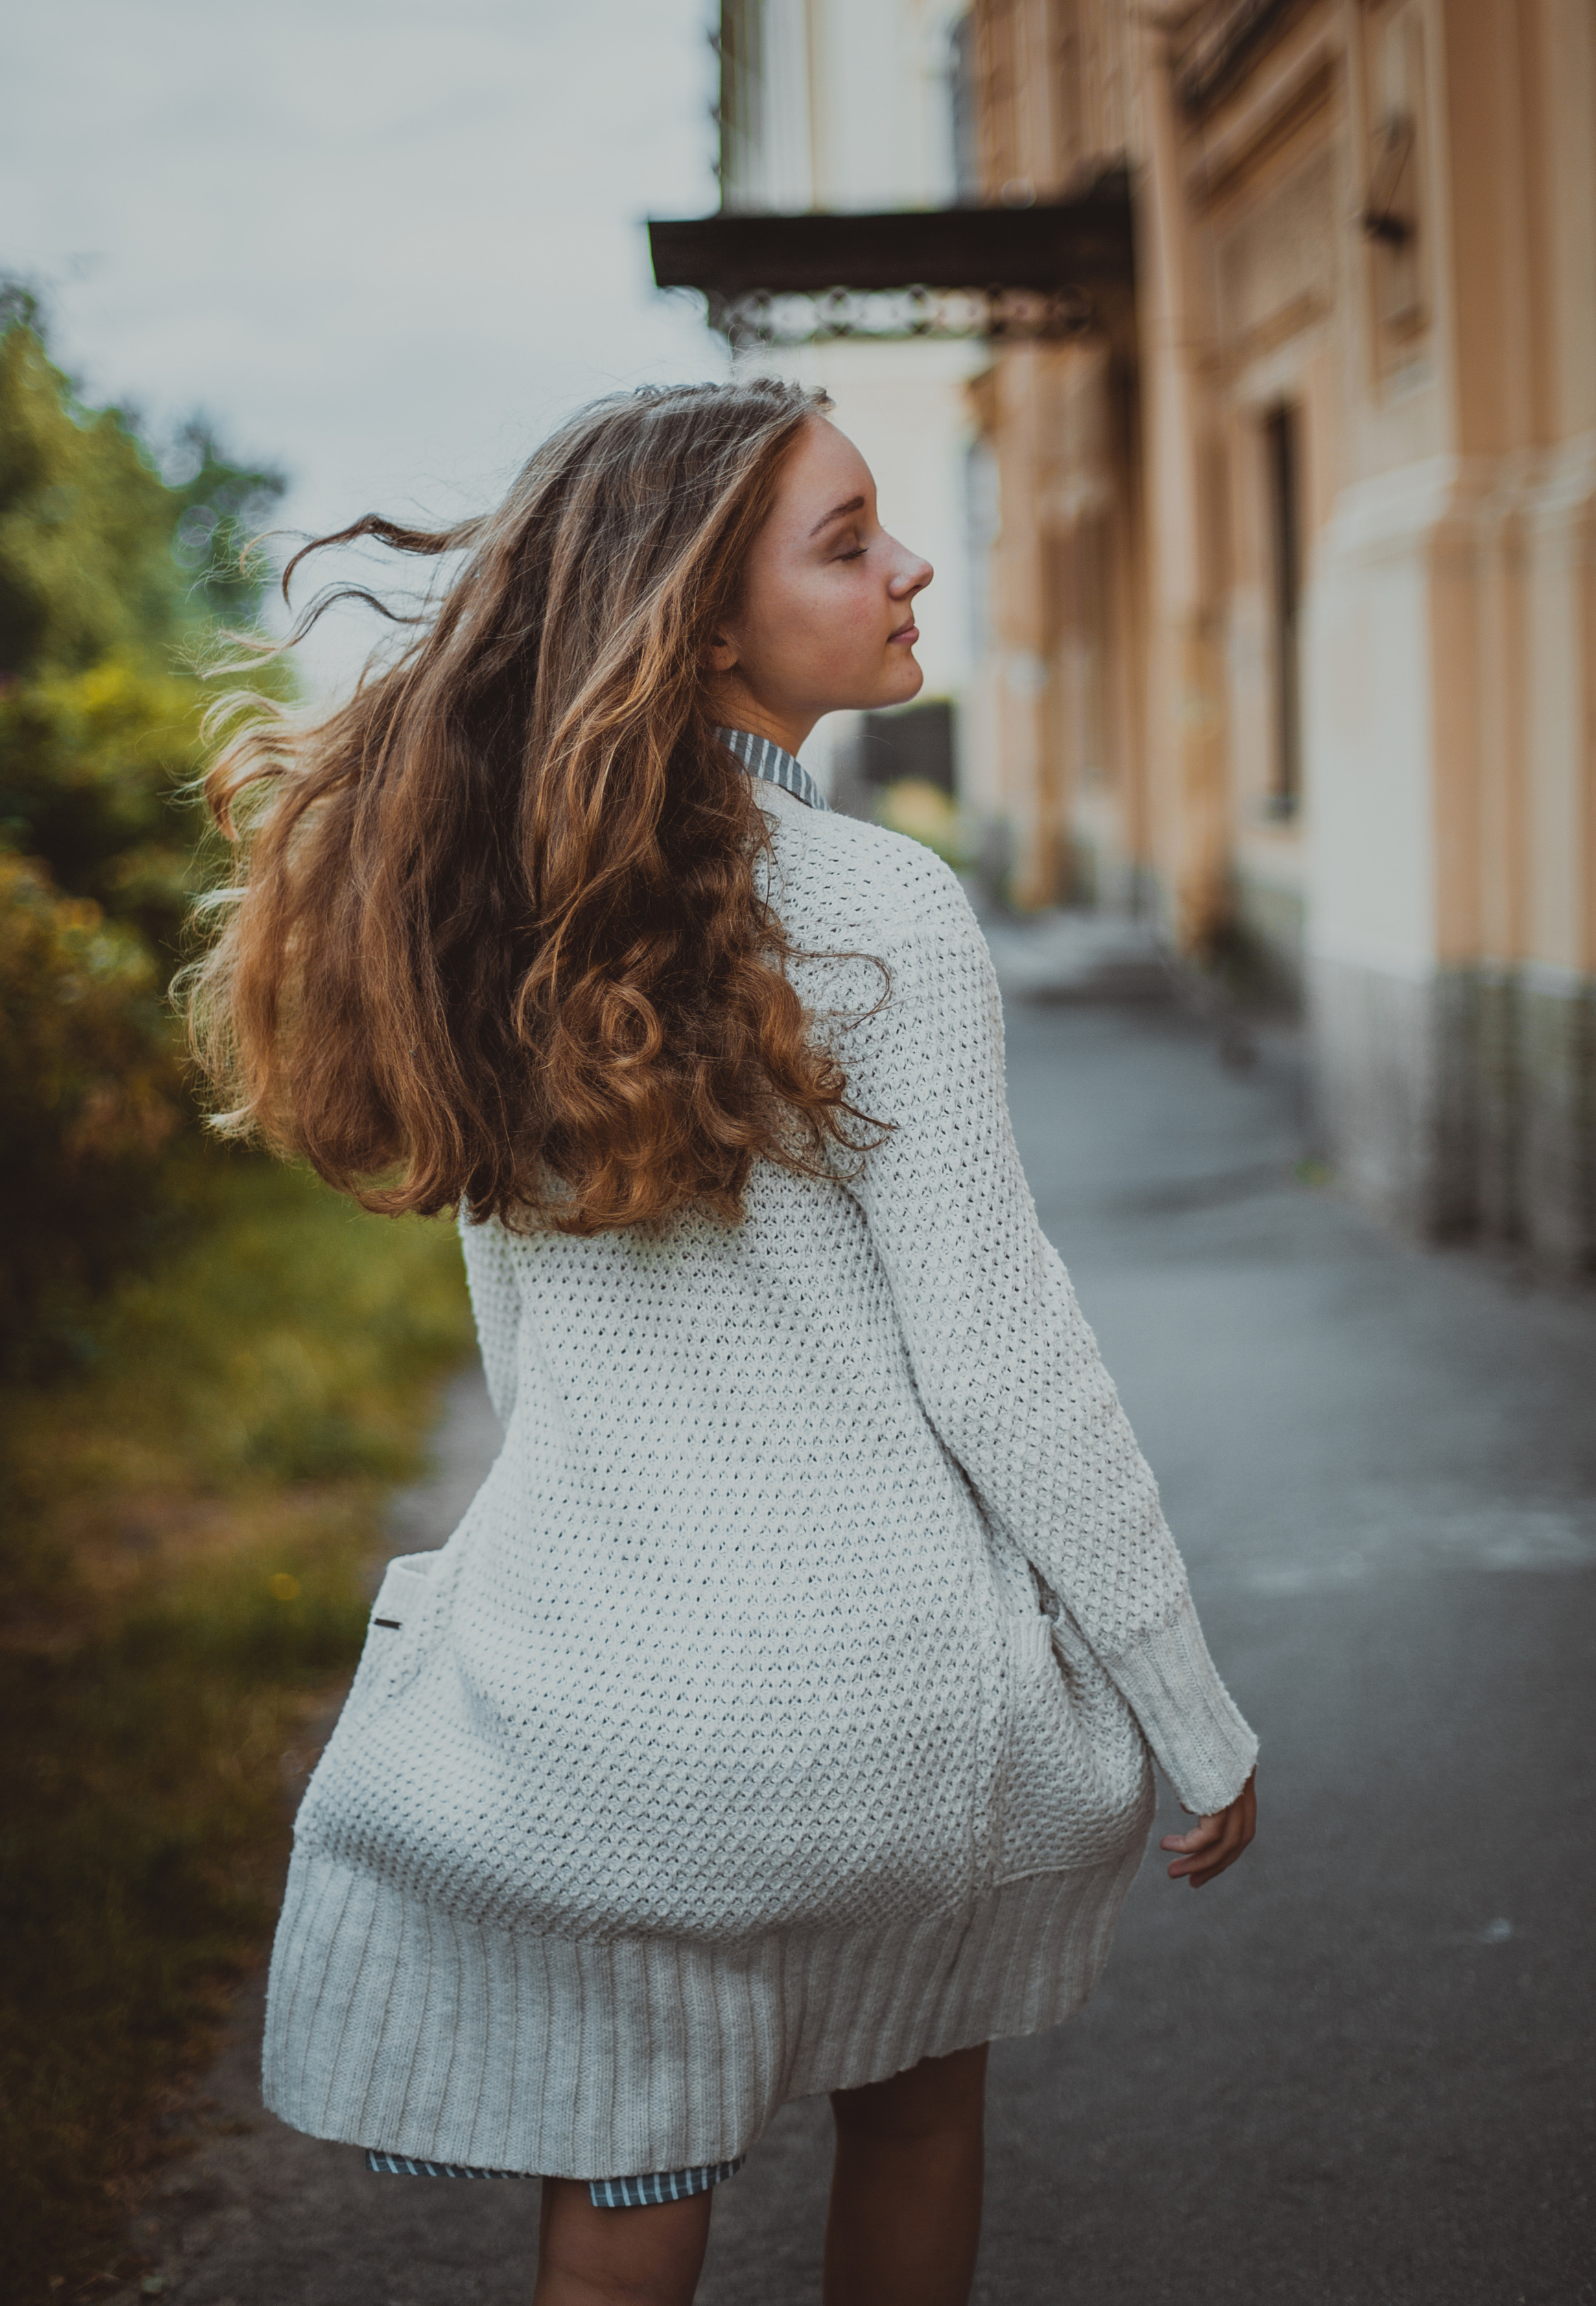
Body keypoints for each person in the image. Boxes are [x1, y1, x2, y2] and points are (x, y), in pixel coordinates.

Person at [187, 378, 1257, 2306]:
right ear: (700, 617)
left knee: (627, 2205)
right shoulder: (882, 912)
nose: (913, 563)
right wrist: (1185, 1701)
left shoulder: (485, 909)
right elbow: (1005, 1360)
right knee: (916, 2115)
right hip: (896, 1716)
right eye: (849, 543)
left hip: (616, 1715)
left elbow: (530, 1368)